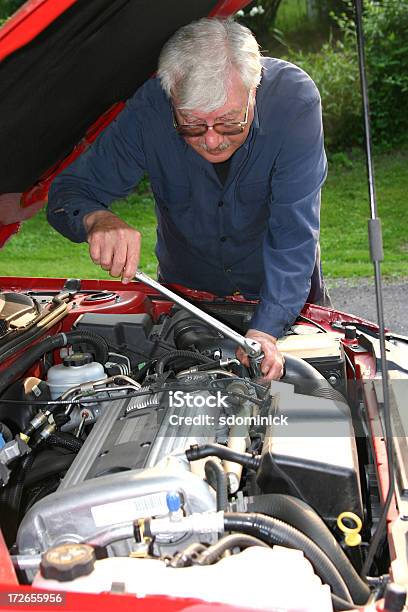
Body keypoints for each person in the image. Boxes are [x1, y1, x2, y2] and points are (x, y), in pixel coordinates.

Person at [47, 18, 329, 381]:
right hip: (187, 304)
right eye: (192, 124)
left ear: (254, 89)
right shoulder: (148, 108)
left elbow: (294, 233)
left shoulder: (294, 104)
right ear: (171, 95)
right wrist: (95, 219)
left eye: (230, 123)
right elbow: (67, 192)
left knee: (316, 410)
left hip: (286, 299)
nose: (212, 141)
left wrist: (265, 331)